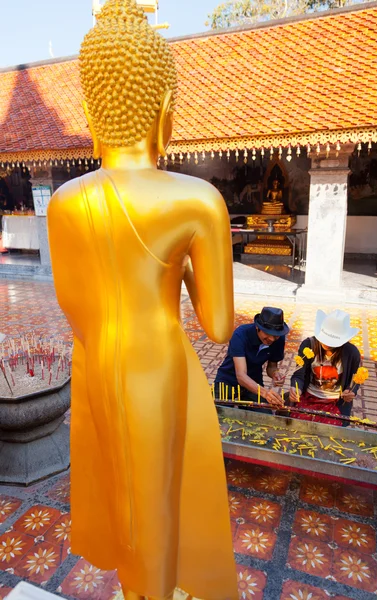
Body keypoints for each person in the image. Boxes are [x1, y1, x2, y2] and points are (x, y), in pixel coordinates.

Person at [47, 1, 238, 599]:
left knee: (128, 507)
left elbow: (74, 310)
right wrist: (178, 271)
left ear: (89, 110)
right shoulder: (196, 201)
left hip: (100, 365)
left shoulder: (64, 203)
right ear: (164, 110)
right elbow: (216, 324)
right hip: (158, 368)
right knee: (156, 507)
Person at [289, 309, 361, 426]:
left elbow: (355, 380)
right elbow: (299, 374)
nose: (327, 343)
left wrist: (351, 391)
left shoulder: (352, 353)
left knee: (330, 430)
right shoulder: (309, 345)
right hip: (309, 396)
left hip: (335, 401)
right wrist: (295, 388)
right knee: (298, 424)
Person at [214, 307, 289, 410]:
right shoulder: (240, 334)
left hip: (254, 381)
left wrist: (275, 373)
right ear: (258, 328)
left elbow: (272, 366)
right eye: (267, 334)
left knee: (262, 417)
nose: (271, 339)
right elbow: (241, 376)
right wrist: (265, 393)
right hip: (228, 380)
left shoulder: (279, 339)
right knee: (218, 414)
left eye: (275, 336)